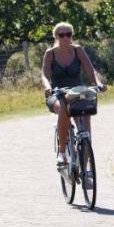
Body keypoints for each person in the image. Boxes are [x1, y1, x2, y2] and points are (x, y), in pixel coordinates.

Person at [41, 22, 105, 164]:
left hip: (77, 93)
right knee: (64, 107)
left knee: (86, 127)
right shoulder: (50, 53)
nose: (65, 38)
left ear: (72, 36)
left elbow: (91, 71)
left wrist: (98, 84)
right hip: (57, 94)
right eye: (61, 35)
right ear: (56, 37)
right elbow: (44, 75)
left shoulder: (78, 50)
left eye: (68, 34)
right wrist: (47, 87)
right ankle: (62, 152)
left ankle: (85, 170)